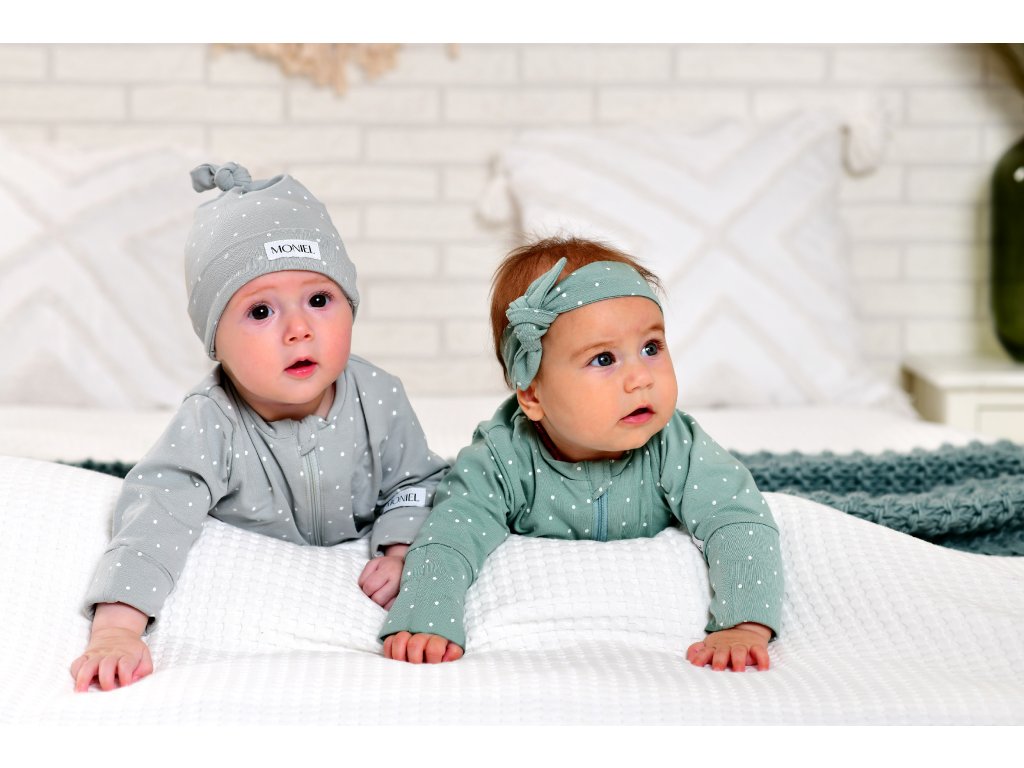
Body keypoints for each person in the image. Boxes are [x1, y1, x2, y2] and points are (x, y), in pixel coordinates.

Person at [71, 162, 448, 692]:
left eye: (319, 300)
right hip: (256, 607)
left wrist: (401, 548)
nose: (299, 329)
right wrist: (116, 630)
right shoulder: (212, 420)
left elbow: (417, 481)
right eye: (261, 311)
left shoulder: (378, 395)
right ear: (215, 340)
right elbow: (156, 517)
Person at [380, 237, 783, 671]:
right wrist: (427, 613)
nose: (640, 378)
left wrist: (743, 625)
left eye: (651, 348)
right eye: (604, 359)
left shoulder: (674, 444)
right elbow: (451, 533)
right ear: (533, 395)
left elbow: (738, 518)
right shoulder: (502, 458)